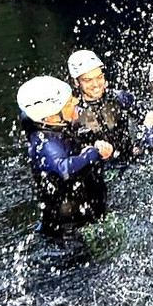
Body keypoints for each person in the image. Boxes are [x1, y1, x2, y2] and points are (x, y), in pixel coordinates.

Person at [17, 75, 114, 243]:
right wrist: (93, 154)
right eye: (69, 103)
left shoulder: (57, 125)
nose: (76, 101)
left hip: (87, 213)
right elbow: (64, 171)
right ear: (51, 116)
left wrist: (94, 145)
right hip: (70, 231)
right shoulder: (45, 145)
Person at [67, 49, 138, 162]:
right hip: (100, 167)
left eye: (99, 77)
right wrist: (89, 149)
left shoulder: (119, 98)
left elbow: (143, 118)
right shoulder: (72, 113)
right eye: (88, 80)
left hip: (130, 161)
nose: (96, 85)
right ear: (76, 82)